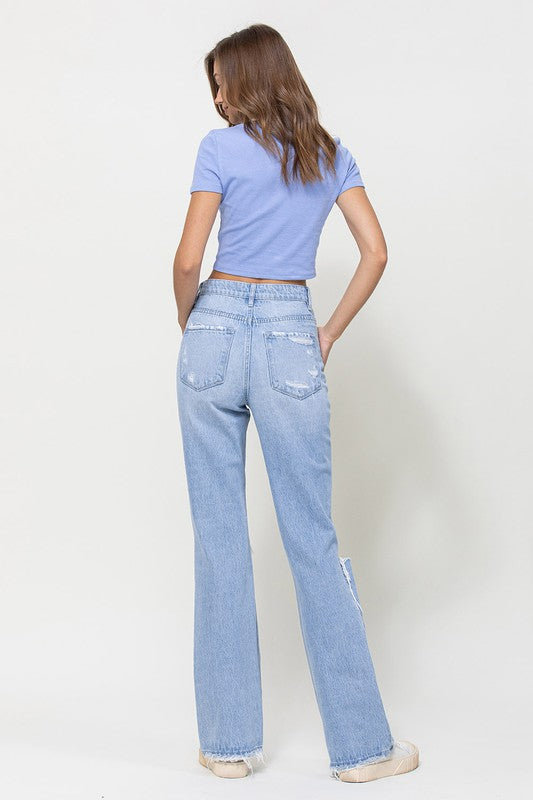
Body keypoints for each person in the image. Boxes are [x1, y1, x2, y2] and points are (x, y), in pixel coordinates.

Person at [173, 23, 419, 783]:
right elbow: (375, 251)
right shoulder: (327, 152)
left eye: (221, 82)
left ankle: (226, 747)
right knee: (311, 539)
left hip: (212, 329)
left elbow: (188, 259)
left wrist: (197, 329)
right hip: (287, 332)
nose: (216, 98)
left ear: (248, 77)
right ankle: (364, 752)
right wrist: (327, 335)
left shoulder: (218, 151)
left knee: (219, 541)